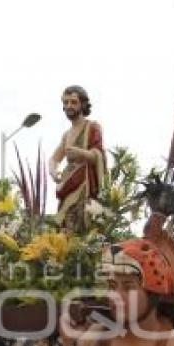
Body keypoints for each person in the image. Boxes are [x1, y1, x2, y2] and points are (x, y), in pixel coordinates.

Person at [48, 85, 106, 234]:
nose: (69, 106)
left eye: (73, 102)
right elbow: (54, 158)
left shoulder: (92, 127)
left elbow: (97, 155)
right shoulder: (66, 135)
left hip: (85, 188)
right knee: (64, 226)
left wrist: (81, 153)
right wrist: (53, 171)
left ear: (83, 104)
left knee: (80, 227)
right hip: (68, 184)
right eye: (66, 102)